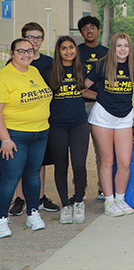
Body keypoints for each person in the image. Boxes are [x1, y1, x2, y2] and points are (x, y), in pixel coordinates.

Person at [0, 39, 53, 238]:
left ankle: (33, 213)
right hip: (15, 136)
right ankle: (2, 219)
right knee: (10, 178)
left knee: (32, 175)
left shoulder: (34, 71)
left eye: (29, 51)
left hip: (40, 133)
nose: (26, 55)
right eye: (21, 51)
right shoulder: (4, 76)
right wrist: (5, 139)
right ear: (12, 53)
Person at [85, 33, 134, 217]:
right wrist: (98, 96)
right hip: (103, 116)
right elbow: (83, 86)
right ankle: (108, 201)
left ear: (130, 48)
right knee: (107, 160)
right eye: (119, 46)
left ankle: (120, 199)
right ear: (113, 47)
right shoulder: (101, 64)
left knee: (124, 161)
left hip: (124, 117)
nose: (122, 49)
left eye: (126, 46)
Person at [9, 23, 58, 217]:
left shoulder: (49, 62)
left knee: (40, 163)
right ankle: (20, 199)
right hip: (19, 125)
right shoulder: (14, 63)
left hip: (43, 122)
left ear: (43, 40)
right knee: (21, 163)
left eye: (38, 38)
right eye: (30, 37)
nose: (34, 41)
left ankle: (39, 197)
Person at [48, 36, 90, 224]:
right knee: (61, 166)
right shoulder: (49, 71)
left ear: (76, 49)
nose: (68, 51)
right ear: (58, 51)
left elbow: (87, 91)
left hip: (79, 124)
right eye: (63, 48)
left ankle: (79, 201)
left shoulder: (82, 69)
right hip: (57, 125)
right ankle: (65, 205)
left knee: (79, 164)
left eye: (71, 47)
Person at [77, 15, 108, 201]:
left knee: (102, 150)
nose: (89, 31)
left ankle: (103, 187)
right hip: (79, 106)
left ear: (98, 30)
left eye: (93, 27)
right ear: (81, 32)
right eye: (85, 28)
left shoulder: (107, 52)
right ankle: (79, 189)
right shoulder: (75, 51)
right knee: (79, 151)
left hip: (102, 107)